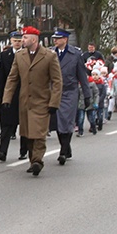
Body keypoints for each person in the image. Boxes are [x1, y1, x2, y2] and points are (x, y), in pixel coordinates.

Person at [2, 26, 62, 176]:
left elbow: (57, 81)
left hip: (42, 101)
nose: (22, 40)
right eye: (22, 38)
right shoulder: (20, 56)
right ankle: (32, 160)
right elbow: (12, 78)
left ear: (34, 39)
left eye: (25, 38)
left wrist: (54, 103)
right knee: (27, 133)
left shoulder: (49, 56)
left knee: (39, 133)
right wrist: (7, 98)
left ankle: (37, 160)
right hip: (24, 102)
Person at [49, 28, 91, 165]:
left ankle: (63, 151)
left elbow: (82, 76)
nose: (55, 40)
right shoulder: (50, 53)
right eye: (54, 38)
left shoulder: (75, 54)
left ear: (65, 39)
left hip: (70, 91)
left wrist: (87, 94)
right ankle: (66, 147)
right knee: (56, 121)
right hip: (54, 91)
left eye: (58, 38)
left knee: (66, 121)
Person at [0, 31, 27, 161]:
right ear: (11, 41)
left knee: (24, 124)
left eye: (19, 40)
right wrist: (0, 95)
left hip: (24, 93)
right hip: (9, 93)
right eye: (15, 40)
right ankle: (2, 151)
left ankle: (24, 151)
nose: (17, 43)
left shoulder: (27, 53)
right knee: (6, 124)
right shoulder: (5, 55)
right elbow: (1, 77)